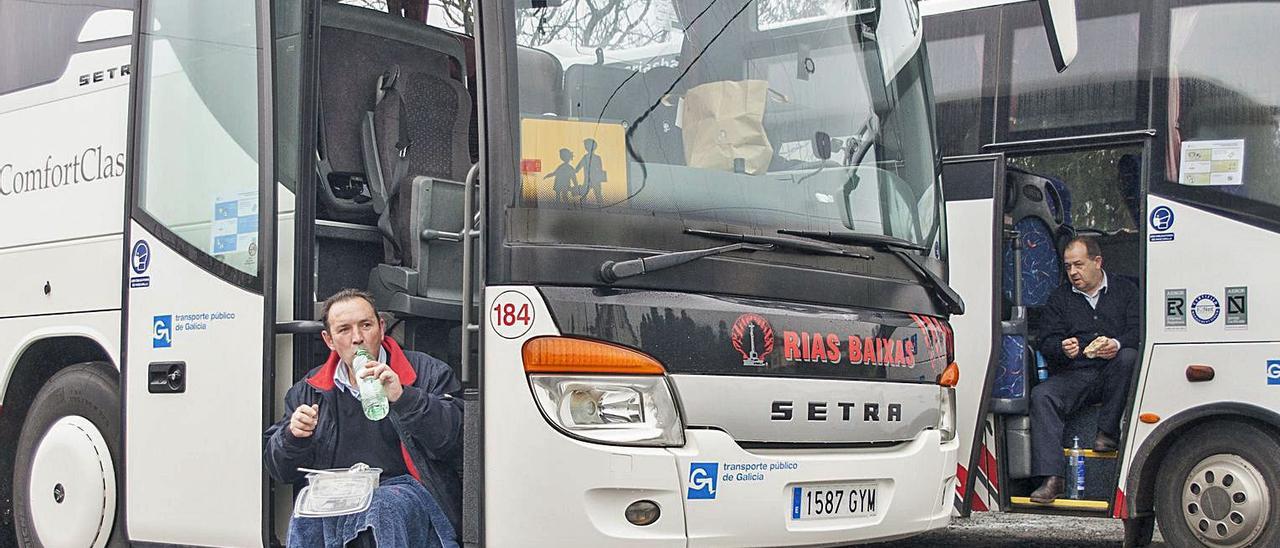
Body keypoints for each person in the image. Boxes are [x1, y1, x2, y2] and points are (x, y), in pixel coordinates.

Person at [264, 289, 463, 546]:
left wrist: (404, 398)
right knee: (308, 506)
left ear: (381, 328)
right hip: (341, 492)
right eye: (344, 330)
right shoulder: (310, 389)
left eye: (366, 325)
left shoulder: (427, 371)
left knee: (381, 507)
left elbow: (457, 441)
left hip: (408, 492)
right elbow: (280, 471)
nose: (357, 338)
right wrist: (293, 437)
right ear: (329, 340)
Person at [1028, 237, 1139, 503]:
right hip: (1076, 374)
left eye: (1079, 265)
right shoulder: (1060, 298)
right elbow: (1047, 340)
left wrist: (1117, 343)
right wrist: (1062, 348)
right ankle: (1053, 478)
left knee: (1128, 357)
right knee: (1042, 396)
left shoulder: (1126, 290)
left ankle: (1107, 433)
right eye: (1068, 267)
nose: (1073, 273)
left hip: (1115, 370)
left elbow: (1140, 329)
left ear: (1097, 262)